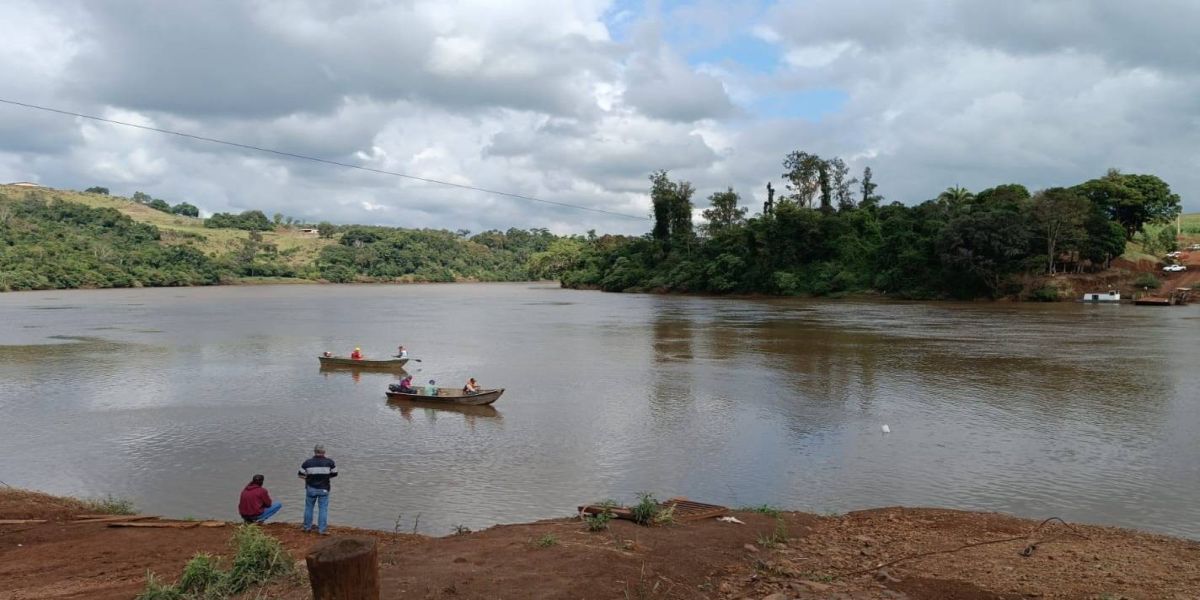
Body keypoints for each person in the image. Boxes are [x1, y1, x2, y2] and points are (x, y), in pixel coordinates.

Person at [298, 444, 337, 534]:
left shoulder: (307, 462)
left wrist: (307, 478)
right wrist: (326, 477)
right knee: (323, 509)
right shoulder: (330, 462)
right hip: (324, 489)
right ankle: (322, 530)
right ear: (324, 452)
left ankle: (307, 527)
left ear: (315, 452)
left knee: (309, 508)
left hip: (311, 488)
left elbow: (300, 474)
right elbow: (335, 473)